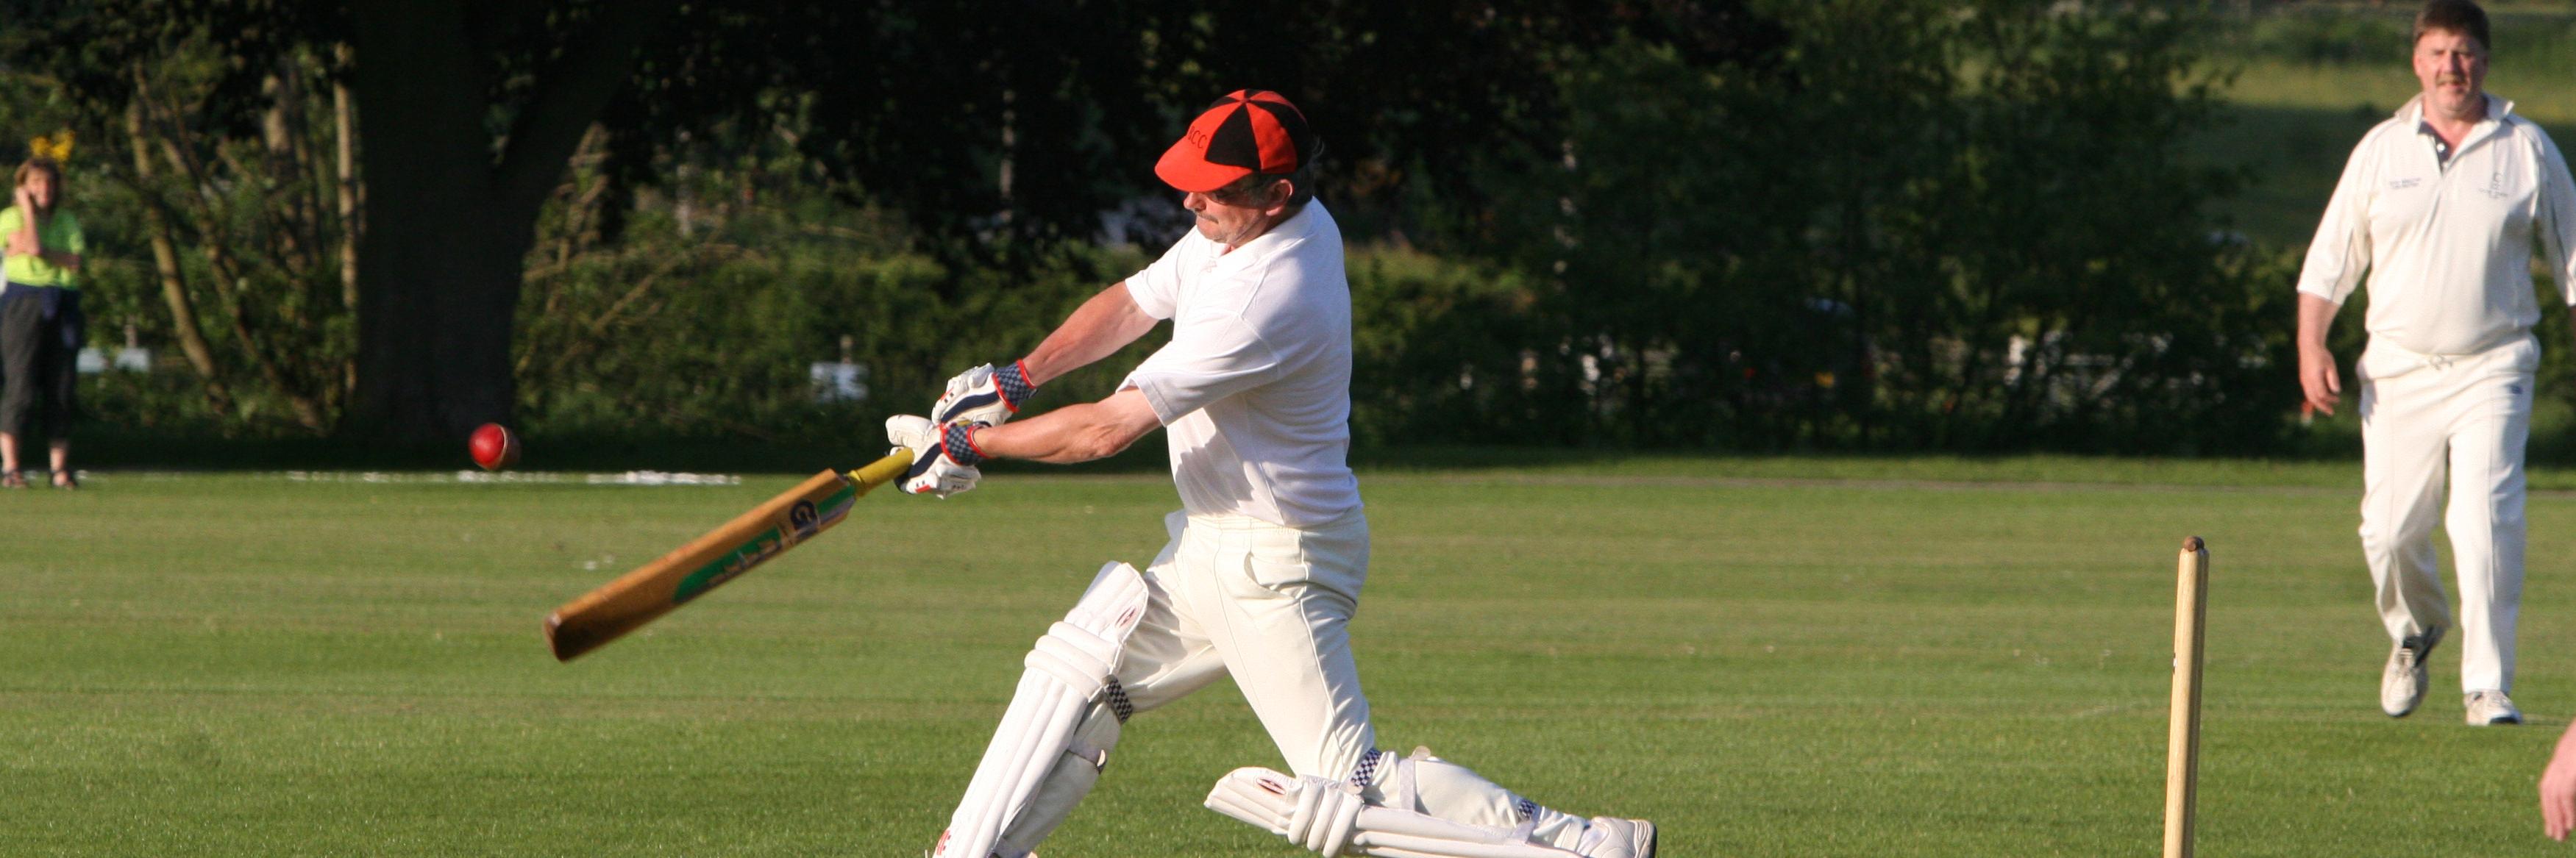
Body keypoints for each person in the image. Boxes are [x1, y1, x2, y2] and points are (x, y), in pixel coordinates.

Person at [886, 90, 1657, 858]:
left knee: (1352, 793)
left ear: (1275, 193)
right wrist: (1014, 381)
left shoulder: (1267, 297)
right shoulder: (1240, 229)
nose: (1190, 199)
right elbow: (1131, 304)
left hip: (1273, 563)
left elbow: (1105, 431)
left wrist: (967, 448)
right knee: (1080, 674)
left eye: (1211, 189)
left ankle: (1582, 847)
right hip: (1216, 546)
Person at [2295, 0, 2576, 726]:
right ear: (2416, 62)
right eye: (2439, 53)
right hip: (2397, 369)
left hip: (2494, 362)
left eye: (2465, 53)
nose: (2453, 67)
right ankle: (2416, 631)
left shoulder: (2525, 149)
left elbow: (2572, 261)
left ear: (2485, 61)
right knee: (2388, 532)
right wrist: (2311, 347)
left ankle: (2486, 686)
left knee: (2482, 517)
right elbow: (2328, 266)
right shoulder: (2380, 151)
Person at [0, 154, 86, 490]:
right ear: (23, 187)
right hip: (24, 302)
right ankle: (11, 467)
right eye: (36, 183)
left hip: (63, 301)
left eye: (49, 182)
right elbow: (32, 246)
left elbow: (75, 262)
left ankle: (59, 468)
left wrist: (44, 253)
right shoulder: (9, 218)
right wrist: (26, 211)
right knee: (20, 386)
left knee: (61, 387)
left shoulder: (66, 220)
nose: (44, 189)